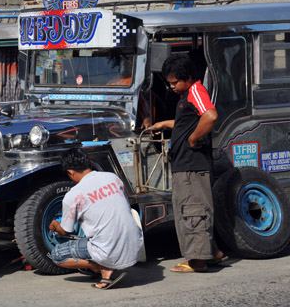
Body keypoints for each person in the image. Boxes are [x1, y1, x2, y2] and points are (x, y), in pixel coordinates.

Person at [149, 53, 226, 273]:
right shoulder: (188, 95)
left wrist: (193, 139)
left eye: (174, 82)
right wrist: (165, 124)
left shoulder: (196, 91)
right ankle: (213, 252)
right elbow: (188, 121)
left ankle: (198, 261)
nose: (171, 87)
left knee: (193, 211)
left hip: (192, 166)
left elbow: (210, 115)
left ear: (188, 77)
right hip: (185, 165)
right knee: (192, 208)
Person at [49, 149, 144, 289]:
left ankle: (102, 267)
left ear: (70, 172)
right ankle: (105, 267)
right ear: (90, 163)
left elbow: (66, 232)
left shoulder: (73, 195)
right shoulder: (113, 178)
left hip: (107, 250)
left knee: (56, 255)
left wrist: (55, 225)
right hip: (135, 245)